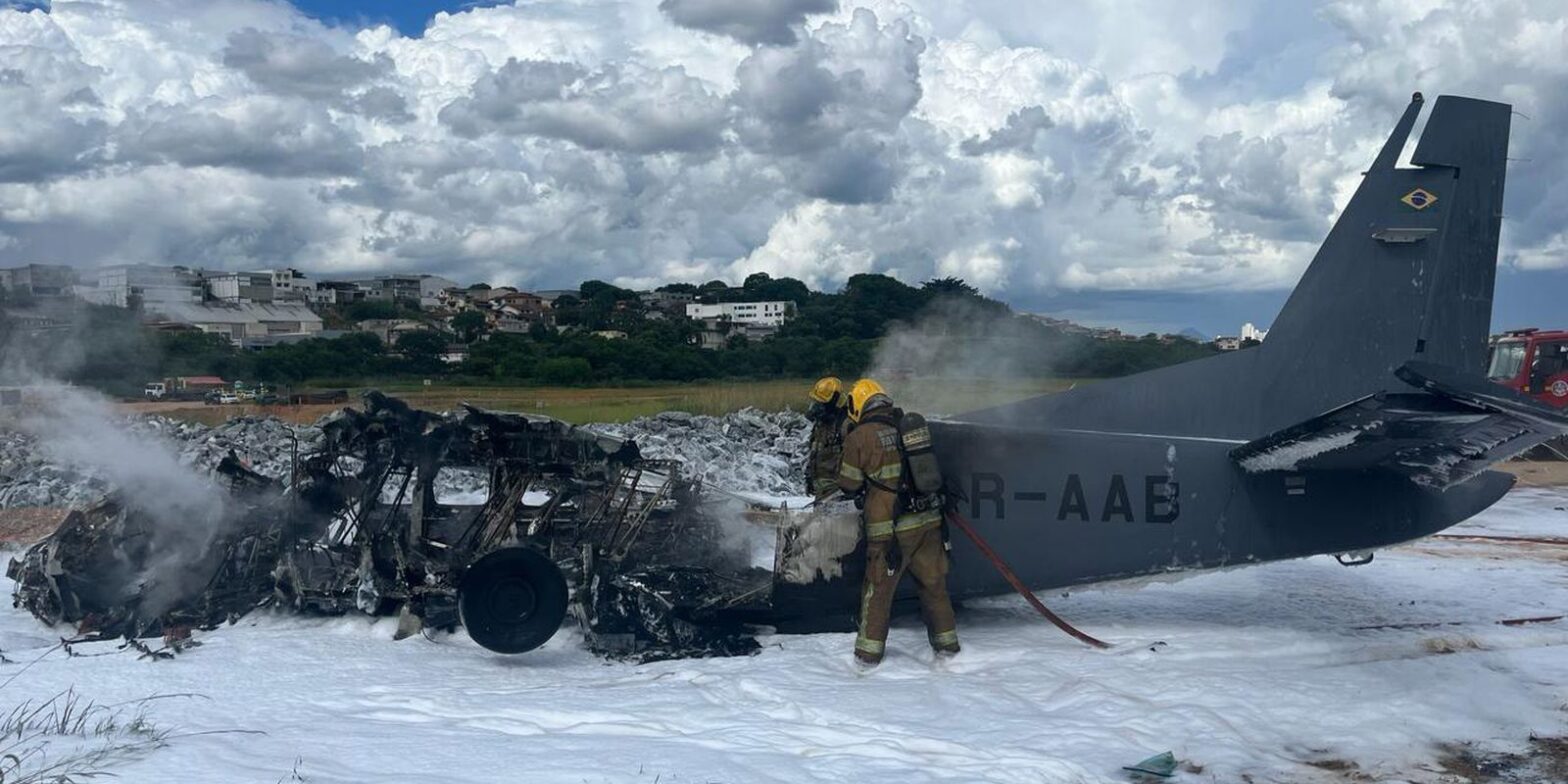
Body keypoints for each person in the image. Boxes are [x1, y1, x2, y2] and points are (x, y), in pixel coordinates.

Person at [836, 378, 958, 667]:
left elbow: (849, 483)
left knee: (877, 592)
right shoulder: (909, 426)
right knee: (934, 587)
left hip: (891, 531)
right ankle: (948, 649)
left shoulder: (860, 436)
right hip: (929, 522)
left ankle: (867, 656)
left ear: (857, 405)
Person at [804, 377, 851, 499]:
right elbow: (815, 450)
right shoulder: (820, 424)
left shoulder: (845, 424)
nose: (817, 407)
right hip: (822, 491)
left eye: (821, 403)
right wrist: (809, 475)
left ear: (833, 402)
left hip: (838, 492)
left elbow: (854, 460)